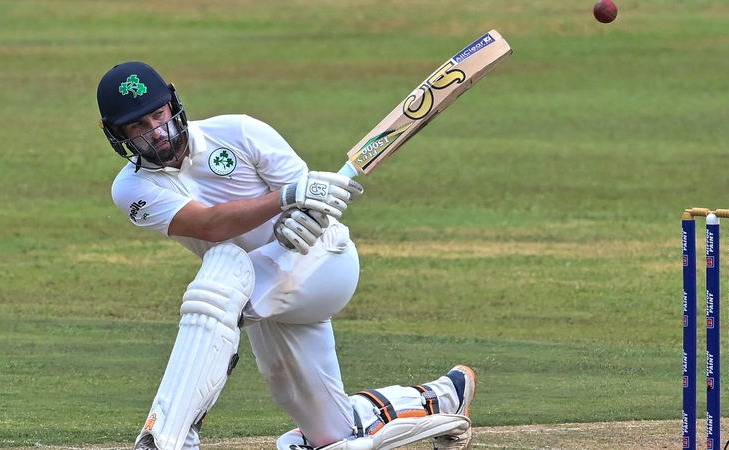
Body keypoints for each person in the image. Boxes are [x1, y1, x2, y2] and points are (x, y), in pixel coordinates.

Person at [96, 61, 477, 450]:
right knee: (333, 441)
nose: (156, 132)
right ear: (118, 135)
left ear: (173, 105)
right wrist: (285, 200)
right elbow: (208, 225)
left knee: (222, 267)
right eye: (138, 126)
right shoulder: (132, 189)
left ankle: (167, 438)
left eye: (158, 115)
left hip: (321, 262)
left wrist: (306, 215)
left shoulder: (240, 132)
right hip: (257, 297)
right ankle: (441, 400)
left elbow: (312, 201)